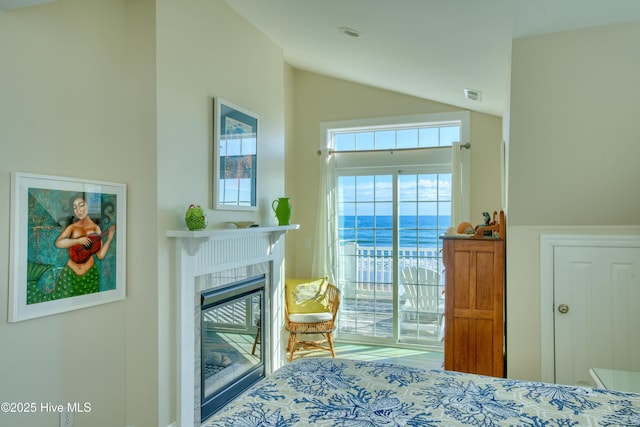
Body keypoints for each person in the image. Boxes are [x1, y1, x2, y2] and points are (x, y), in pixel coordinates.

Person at [51, 195, 116, 299]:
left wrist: (109, 239)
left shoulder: (96, 228)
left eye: (81, 205)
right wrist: (78, 240)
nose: (78, 210)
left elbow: (100, 256)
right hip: (70, 274)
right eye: (75, 207)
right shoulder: (72, 227)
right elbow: (58, 243)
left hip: (90, 275)